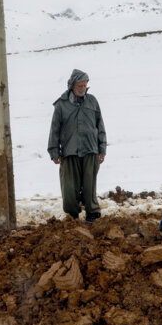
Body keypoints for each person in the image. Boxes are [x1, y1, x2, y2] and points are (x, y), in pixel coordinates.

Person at [48, 69, 106, 222]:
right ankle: (72, 216)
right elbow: (54, 129)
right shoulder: (61, 105)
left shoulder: (92, 101)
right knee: (69, 189)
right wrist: (54, 151)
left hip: (90, 150)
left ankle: (92, 214)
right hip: (69, 151)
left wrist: (102, 148)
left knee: (89, 186)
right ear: (72, 86)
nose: (82, 88)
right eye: (79, 85)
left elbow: (100, 126)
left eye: (85, 85)